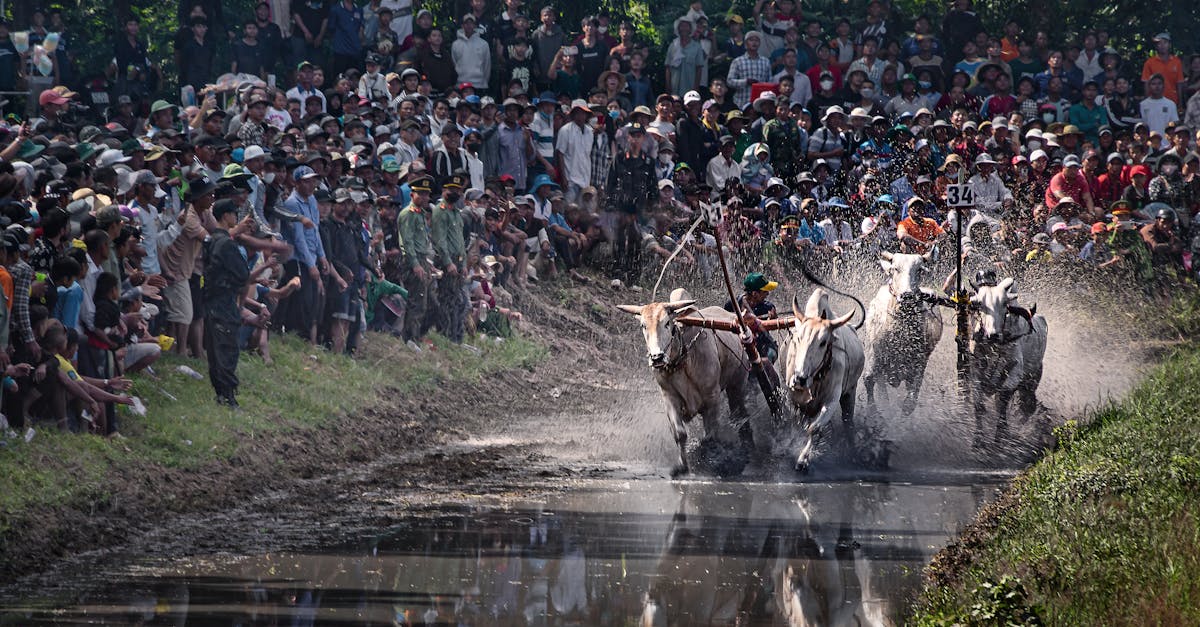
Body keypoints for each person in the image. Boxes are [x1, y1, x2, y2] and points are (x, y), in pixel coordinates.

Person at [203, 199, 253, 408]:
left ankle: (221, 394)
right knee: (227, 349)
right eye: (234, 213)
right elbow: (243, 274)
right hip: (224, 302)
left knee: (215, 351)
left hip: (211, 301)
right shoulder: (226, 244)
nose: (236, 217)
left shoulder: (211, 240)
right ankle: (228, 396)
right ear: (226, 216)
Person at [724, 271, 780, 367]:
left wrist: (773, 320)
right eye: (764, 291)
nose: (768, 293)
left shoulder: (768, 307)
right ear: (754, 293)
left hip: (762, 346)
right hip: (738, 346)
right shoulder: (733, 304)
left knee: (770, 355)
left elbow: (772, 326)